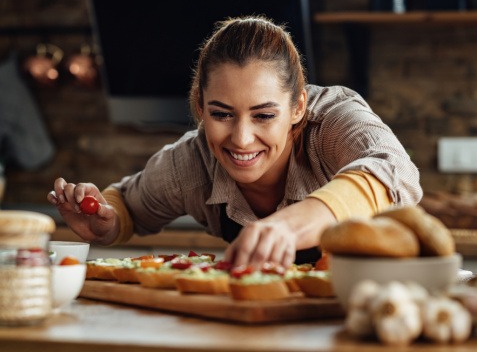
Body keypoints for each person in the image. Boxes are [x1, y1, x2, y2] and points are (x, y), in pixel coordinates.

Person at [47, 16, 422, 268]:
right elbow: (127, 205)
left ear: (298, 106)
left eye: (264, 115)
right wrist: (104, 224)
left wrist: (289, 226)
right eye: (222, 114)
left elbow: (396, 171)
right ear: (199, 107)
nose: (241, 139)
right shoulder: (190, 164)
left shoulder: (331, 121)